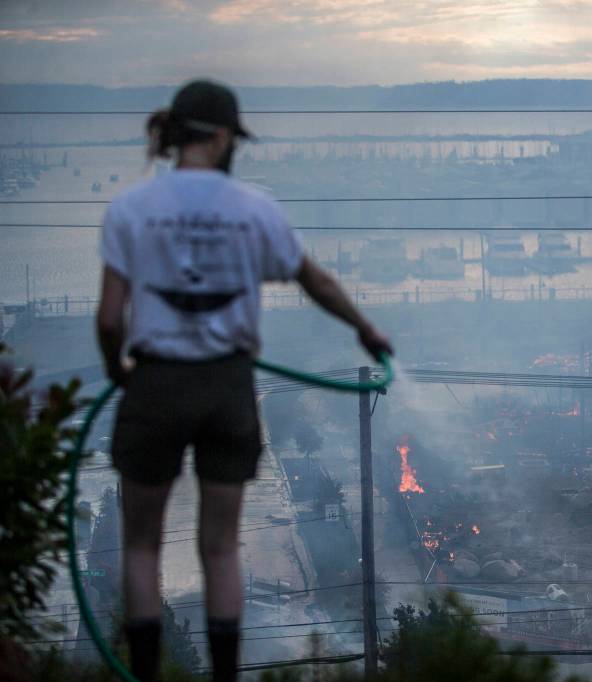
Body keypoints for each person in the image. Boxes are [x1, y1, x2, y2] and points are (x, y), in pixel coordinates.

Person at [95, 79, 393, 682]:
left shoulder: (130, 208)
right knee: (222, 547)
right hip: (228, 388)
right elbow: (316, 282)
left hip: (155, 383)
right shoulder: (255, 208)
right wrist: (366, 330)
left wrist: (119, 373)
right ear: (226, 136)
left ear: (177, 134)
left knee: (143, 546)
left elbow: (108, 318)